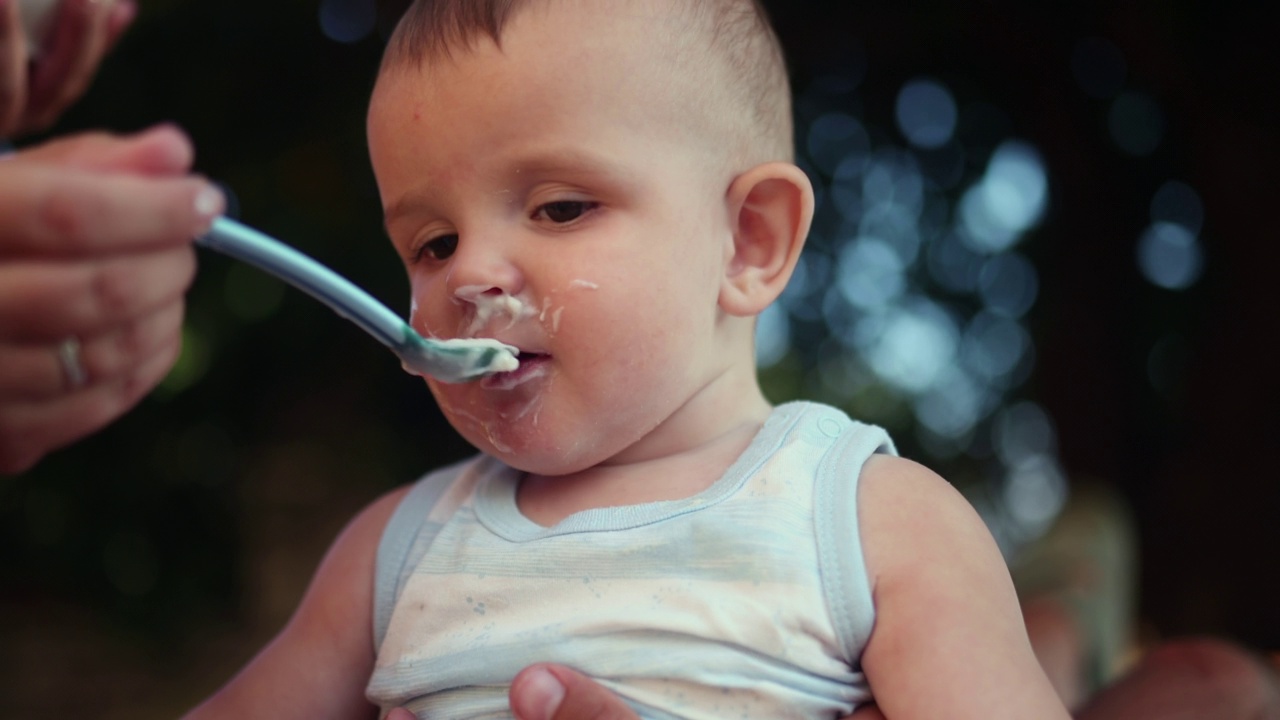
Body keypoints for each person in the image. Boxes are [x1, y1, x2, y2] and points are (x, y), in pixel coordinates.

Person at [186, 0, 1072, 717]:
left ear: (747, 242)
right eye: (433, 242)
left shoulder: (871, 524)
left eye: (560, 208)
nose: (471, 275)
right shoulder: (394, 551)